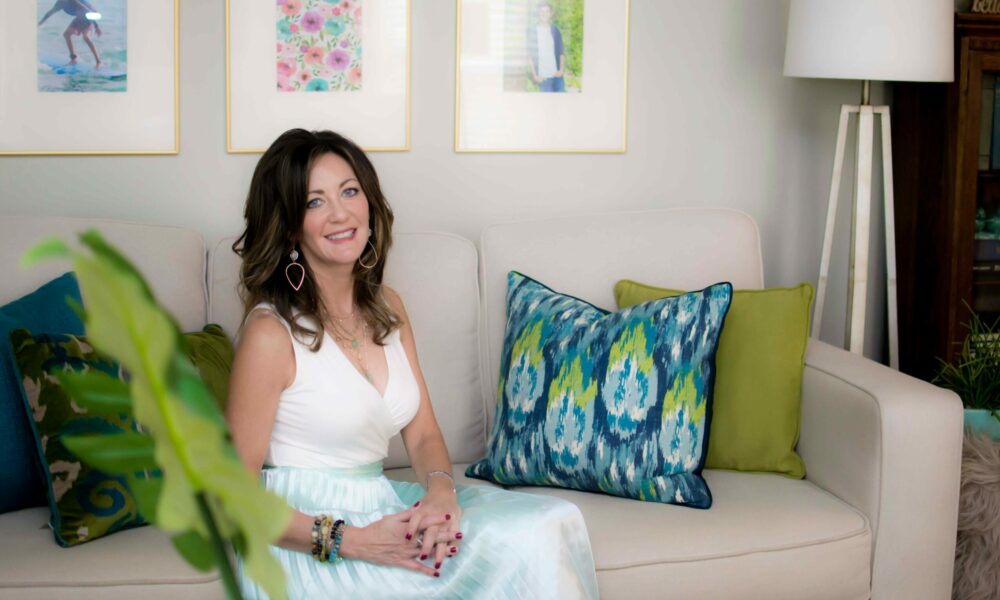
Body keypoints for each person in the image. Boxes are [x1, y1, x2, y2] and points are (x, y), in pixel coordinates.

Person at [227, 128, 598, 599]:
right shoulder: (271, 333)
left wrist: (441, 496)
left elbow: (423, 435)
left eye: (349, 191)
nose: (340, 213)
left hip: (380, 503)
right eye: (314, 201)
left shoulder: (389, 307)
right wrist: (352, 541)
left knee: (549, 524)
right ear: (289, 227)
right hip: (307, 535)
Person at [38, 0, 103, 69]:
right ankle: (73, 59)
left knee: (86, 37)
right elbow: (49, 13)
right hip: (80, 17)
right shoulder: (60, 3)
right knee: (66, 34)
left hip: (89, 16)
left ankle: (98, 61)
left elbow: (88, 12)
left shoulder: (74, 1)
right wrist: (39, 24)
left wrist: (96, 27)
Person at [527, 3, 565, 92]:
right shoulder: (532, 31)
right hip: (543, 78)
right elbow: (529, 56)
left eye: (547, 11)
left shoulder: (555, 30)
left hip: (557, 77)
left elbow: (561, 53)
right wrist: (535, 76)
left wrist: (561, 70)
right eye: (542, 11)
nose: (544, 14)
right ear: (538, 13)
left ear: (550, 14)